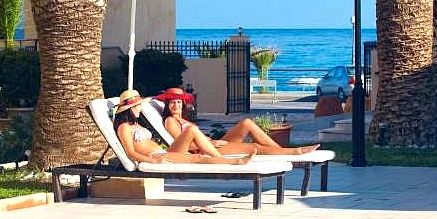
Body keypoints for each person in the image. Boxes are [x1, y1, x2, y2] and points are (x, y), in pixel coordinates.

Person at [155, 87, 320, 156]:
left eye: (178, 102)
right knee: (254, 147)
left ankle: (281, 153)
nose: (176, 105)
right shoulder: (170, 121)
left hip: (214, 143)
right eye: (172, 102)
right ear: (168, 105)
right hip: (205, 150)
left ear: (183, 104)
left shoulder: (183, 119)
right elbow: (183, 145)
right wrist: (210, 145)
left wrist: (214, 141)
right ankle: (293, 153)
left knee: (247, 123)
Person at [113, 90, 255, 165]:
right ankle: (234, 162)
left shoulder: (134, 124)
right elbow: (130, 153)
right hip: (157, 156)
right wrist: (154, 160)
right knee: (197, 157)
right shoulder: (124, 127)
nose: (140, 108)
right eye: (137, 106)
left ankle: (225, 160)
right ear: (130, 109)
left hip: (164, 152)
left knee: (194, 142)